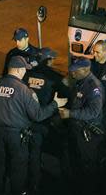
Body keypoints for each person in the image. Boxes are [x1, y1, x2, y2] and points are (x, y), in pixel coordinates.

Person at [0, 56, 67, 195]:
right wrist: (55, 104)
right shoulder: (25, 91)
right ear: (20, 70)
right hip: (17, 136)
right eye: (24, 69)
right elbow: (38, 115)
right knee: (18, 169)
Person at [23, 47, 71, 193]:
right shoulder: (54, 78)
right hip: (47, 123)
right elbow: (67, 97)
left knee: (31, 155)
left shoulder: (26, 75)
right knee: (63, 151)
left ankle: (32, 185)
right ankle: (64, 184)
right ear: (48, 60)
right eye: (52, 59)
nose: (53, 61)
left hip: (27, 122)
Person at [59, 57, 104, 195]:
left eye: (75, 71)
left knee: (87, 165)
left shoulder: (93, 86)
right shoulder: (80, 81)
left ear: (86, 69)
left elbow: (93, 111)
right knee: (72, 161)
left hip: (87, 133)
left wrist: (70, 114)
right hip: (76, 129)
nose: (72, 73)